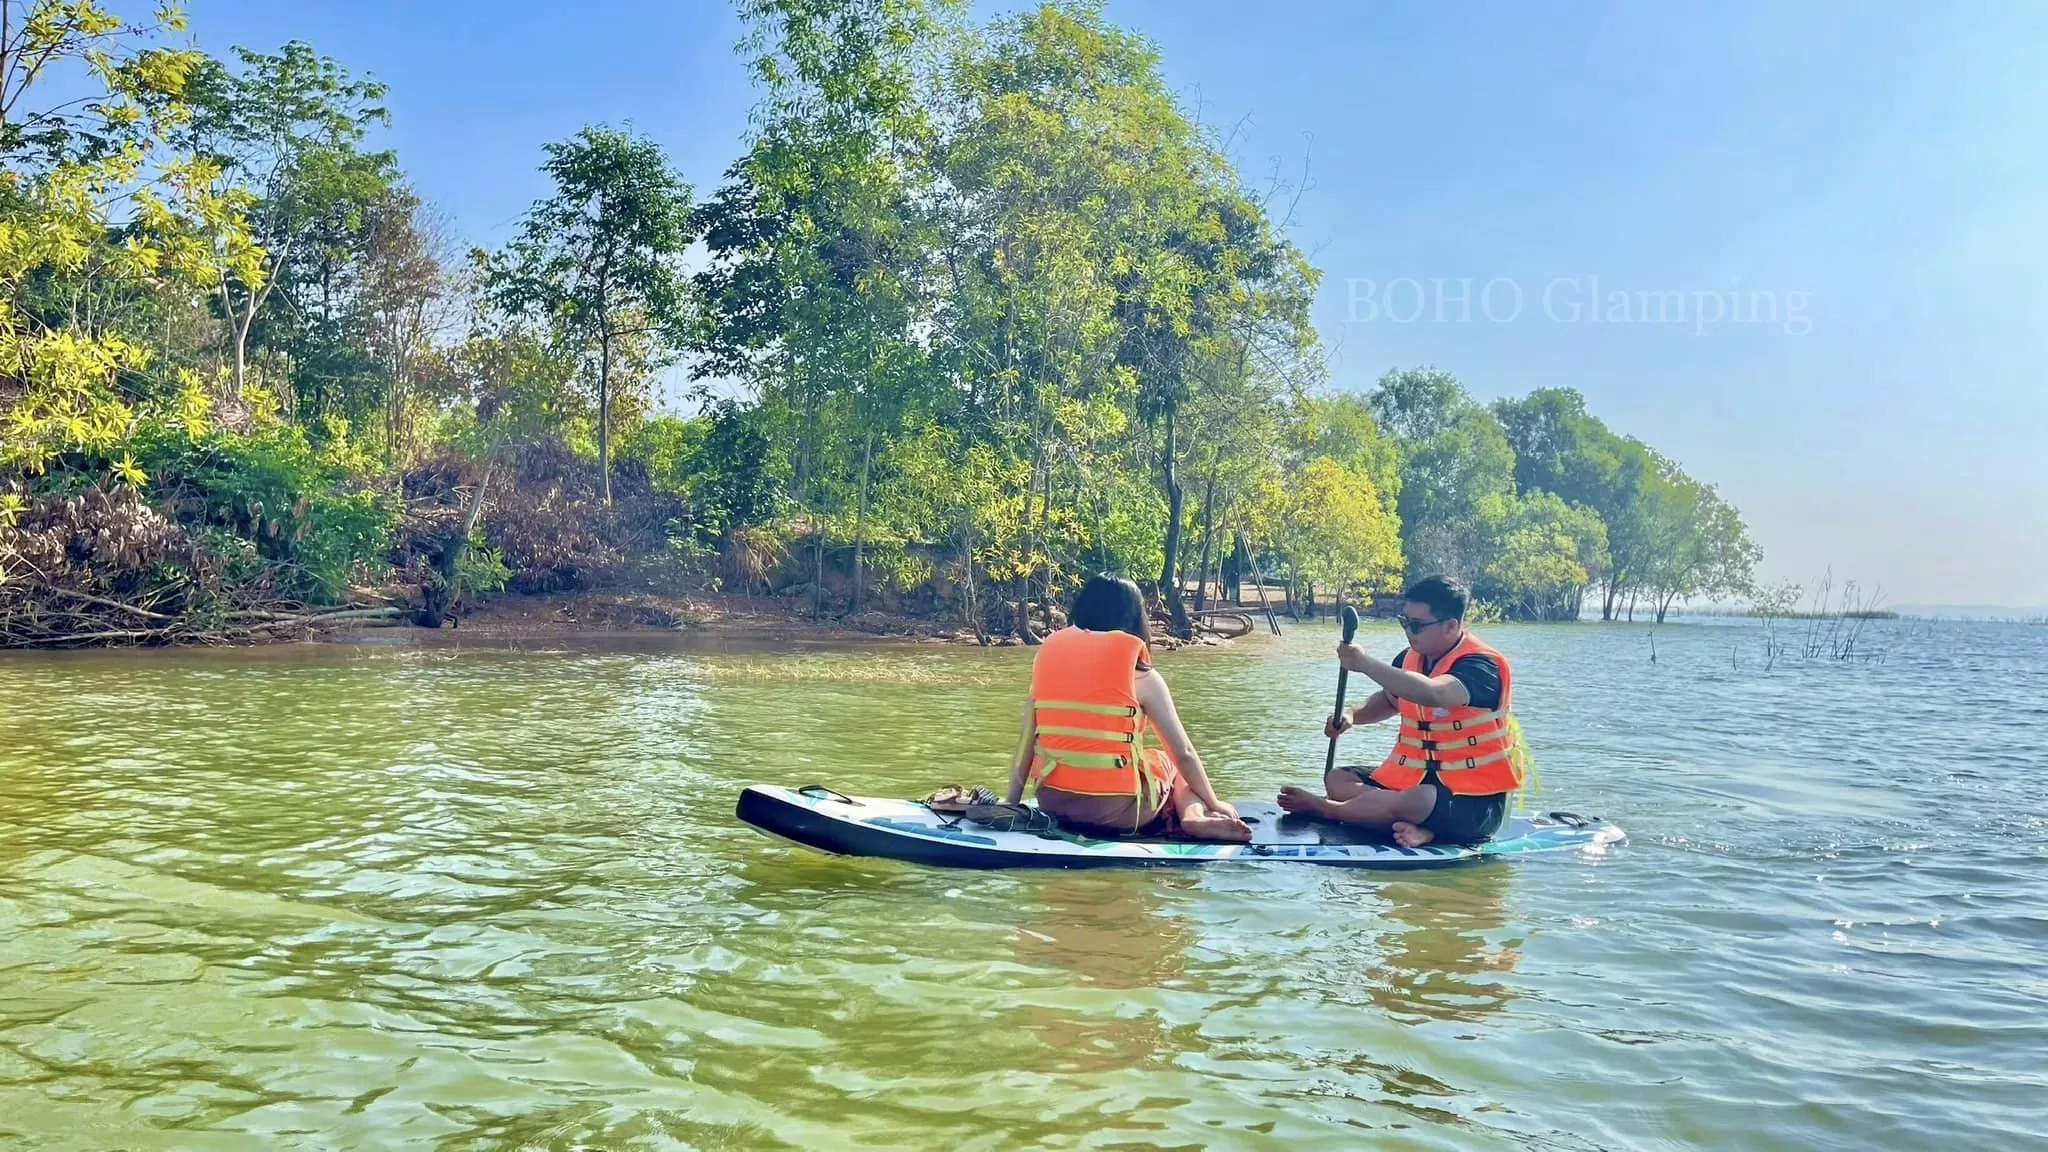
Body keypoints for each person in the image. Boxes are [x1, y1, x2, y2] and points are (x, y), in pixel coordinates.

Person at [1277, 574, 1523, 848]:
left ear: (1451, 626)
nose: (1408, 631)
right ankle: (1413, 825)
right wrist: (1351, 716)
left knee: (1419, 799)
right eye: (1404, 621)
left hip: (1472, 801)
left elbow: (1434, 693)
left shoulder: (1482, 665)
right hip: (1414, 781)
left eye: (1416, 625)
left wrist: (1366, 664)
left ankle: (1329, 810)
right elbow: (1390, 700)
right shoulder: (1409, 658)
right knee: (1337, 779)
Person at [1003, 575, 1252, 842]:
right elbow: (1185, 754)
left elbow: (1025, 744)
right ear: (1134, 618)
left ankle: (1192, 813)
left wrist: (1011, 803)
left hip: (1053, 802)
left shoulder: (1046, 664)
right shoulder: (1142, 676)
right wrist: (1215, 803)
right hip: (1117, 813)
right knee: (1169, 760)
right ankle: (1194, 817)